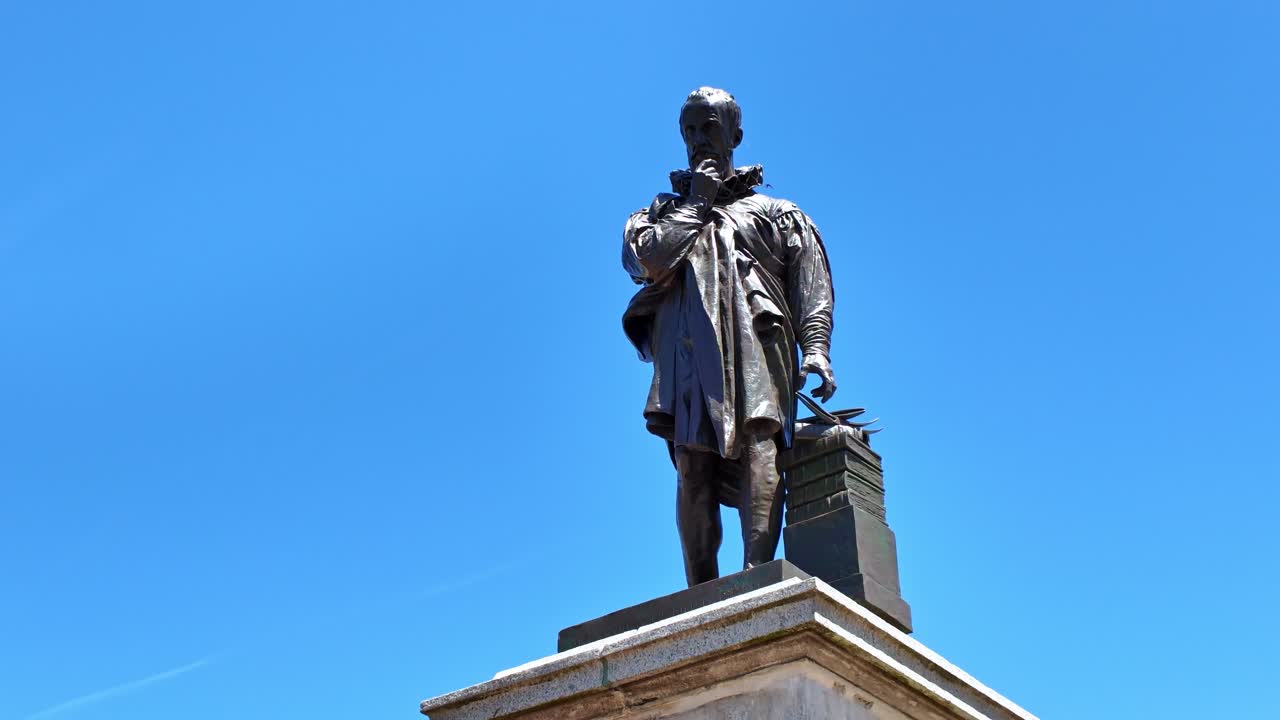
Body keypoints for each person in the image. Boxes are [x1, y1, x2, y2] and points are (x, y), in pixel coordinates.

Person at [622, 87, 838, 586]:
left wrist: (818, 349)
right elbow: (649, 260)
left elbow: (812, 284)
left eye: (709, 127)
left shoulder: (778, 212)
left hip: (759, 341)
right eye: (690, 131)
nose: (699, 139)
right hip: (686, 348)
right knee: (691, 460)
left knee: (761, 437)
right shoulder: (656, 216)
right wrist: (697, 200)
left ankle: (757, 573)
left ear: (735, 134)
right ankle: (700, 590)